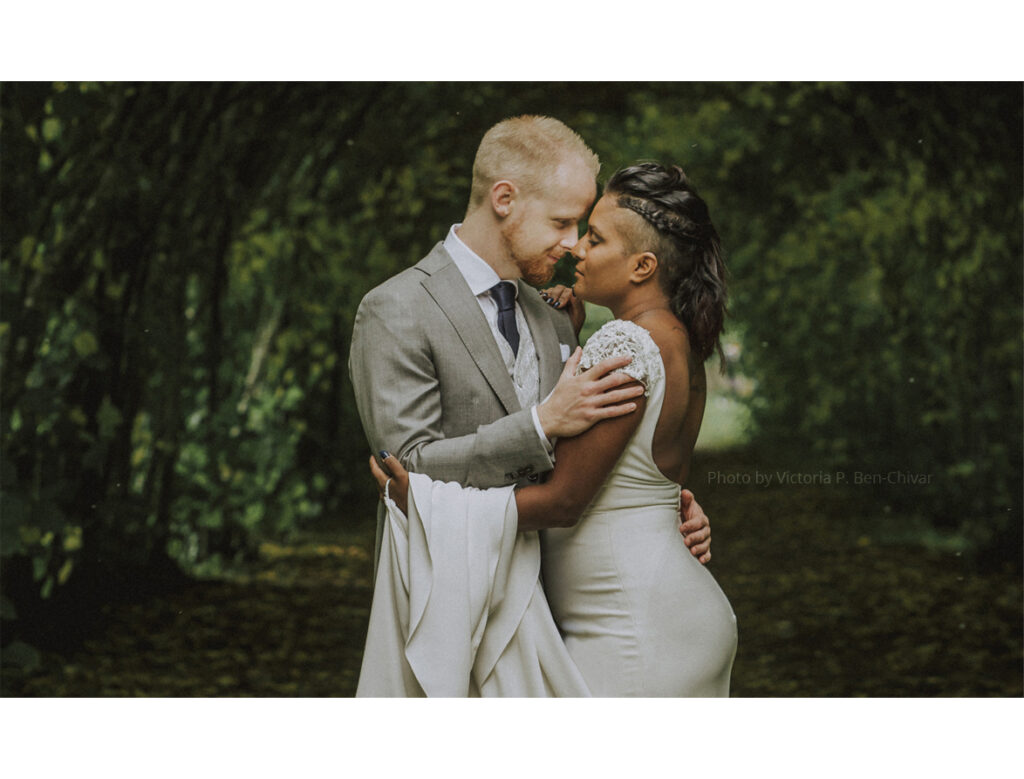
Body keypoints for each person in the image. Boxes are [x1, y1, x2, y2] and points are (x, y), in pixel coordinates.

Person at [348, 116, 714, 695]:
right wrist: (541, 423)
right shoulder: (395, 308)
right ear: (504, 199)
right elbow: (406, 467)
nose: (573, 245)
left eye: (583, 227)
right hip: (458, 612)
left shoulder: (557, 312)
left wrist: (661, 509)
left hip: (563, 620)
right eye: (564, 222)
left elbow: (595, 456)